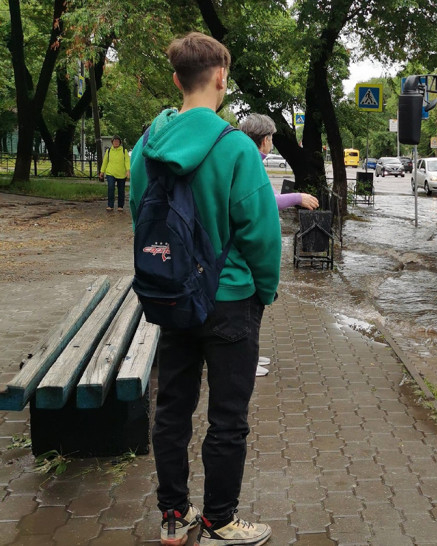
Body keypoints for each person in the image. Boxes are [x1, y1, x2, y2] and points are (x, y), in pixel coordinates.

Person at [128, 32, 280, 546]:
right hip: (230, 299)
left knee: (171, 410)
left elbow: (139, 220)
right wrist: (265, 291)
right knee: (227, 418)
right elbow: (261, 234)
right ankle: (219, 520)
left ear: (177, 80)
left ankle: (174, 516)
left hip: (171, 297)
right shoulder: (235, 147)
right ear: (221, 76)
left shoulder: (145, 146)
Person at [238, 113, 318, 378]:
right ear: (264, 140)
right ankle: (245, 361)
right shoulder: (249, 161)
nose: (272, 142)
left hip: (250, 249)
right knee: (249, 307)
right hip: (247, 252)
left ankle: (248, 355)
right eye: (271, 138)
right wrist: (298, 197)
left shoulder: (249, 159)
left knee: (252, 306)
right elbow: (266, 201)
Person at [99, 135, 129, 211]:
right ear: (112, 142)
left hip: (121, 174)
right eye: (114, 141)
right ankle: (110, 205)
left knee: (121, 190)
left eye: (117, 141)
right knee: (111, 188)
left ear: (120, 142)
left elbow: (127, 161)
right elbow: (105, 162)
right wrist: (102, 172)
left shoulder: (124, 151)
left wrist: (128, 170)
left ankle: (120, 206)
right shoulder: (109, 151)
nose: (116, 142)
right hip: (110, 173)